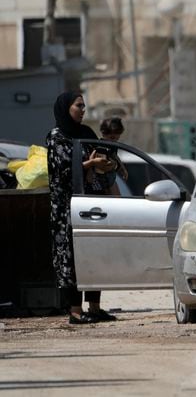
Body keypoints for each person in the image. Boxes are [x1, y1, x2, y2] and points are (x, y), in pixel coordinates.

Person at [46, 92, 118, 324]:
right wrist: (90, 163)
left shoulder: (86, 133)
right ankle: (75, 311)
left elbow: (101, 157)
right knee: (72, 257)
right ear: (66, 108)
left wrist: (106, 163)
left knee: (94, 254)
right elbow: (61, 171)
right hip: (68, 207)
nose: (83, 110)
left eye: (84, 106)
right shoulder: (56, 137)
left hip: (92, 202)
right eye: (78, 106)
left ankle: (94, 308)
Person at [99, 117, 128, 196]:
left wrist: (122, 168)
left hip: (111, 176)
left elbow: (114, 155)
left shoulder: (112, 145)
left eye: (116, 138)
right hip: (104, 178)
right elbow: (101, 162)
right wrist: (113, 165)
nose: (114, 141)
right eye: (111, 138)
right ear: (103, 134)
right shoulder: (101, 146)